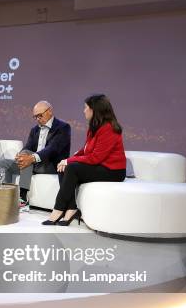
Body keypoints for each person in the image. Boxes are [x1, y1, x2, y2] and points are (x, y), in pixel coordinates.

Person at [43, 94, 126, 226]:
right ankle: (71, 208)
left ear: (94, 110)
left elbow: (95, 158)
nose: (83, 110)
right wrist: (67, 160)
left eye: (86, 108)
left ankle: (58, 209)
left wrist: (70, 162)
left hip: (113, 171)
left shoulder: (108, 128)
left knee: (71, 167)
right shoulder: (94, 127)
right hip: (100, 165)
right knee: (63, 167)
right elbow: (85, 149)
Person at [0, 101, 70, 209]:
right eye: (35, 117)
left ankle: (22, 197)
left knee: (28, 157)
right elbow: (28, 147)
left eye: (40, 115)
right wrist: (20, 155)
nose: (38, 119)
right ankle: (6, 197)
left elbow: (53, 149)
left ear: (49, 111)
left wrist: (31, 157)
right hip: (32, 162)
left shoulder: (63, 127)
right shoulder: (34, 130)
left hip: (50, 164)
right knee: (3, 163)